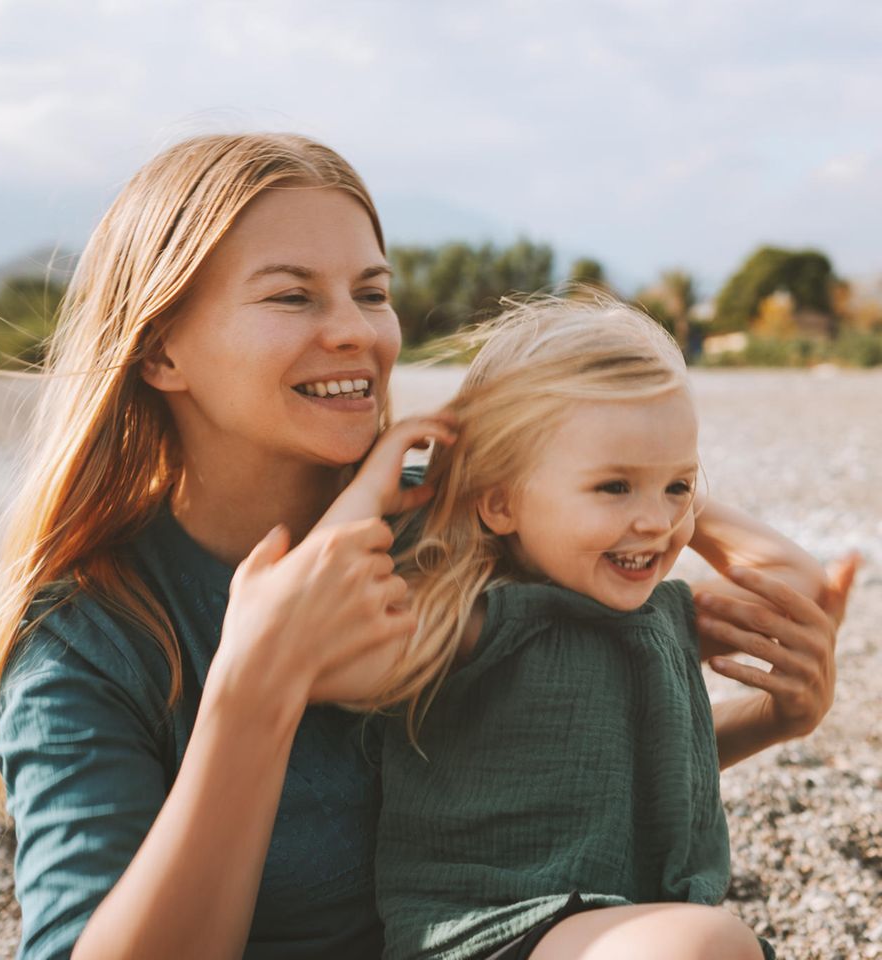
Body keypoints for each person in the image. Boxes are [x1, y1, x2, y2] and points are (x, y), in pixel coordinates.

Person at [0, 135, 854, 960]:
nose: (357, 331)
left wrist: (759, 718)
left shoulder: (456, 527)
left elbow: (521, 773)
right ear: (162, 352)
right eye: (293, 295)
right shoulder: (90, 641)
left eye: (372, 292)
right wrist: (254, 692)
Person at [319, 294, 838, 960]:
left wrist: (664, 480)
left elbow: (796, 582)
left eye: (678, 488)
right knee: (705, 942)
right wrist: (376, 483)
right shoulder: (472, 621)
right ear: (501, 499)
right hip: (492, 936)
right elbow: (318, 630)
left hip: (622, 931)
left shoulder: (661, 616)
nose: (654, 521)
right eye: (613, 487)